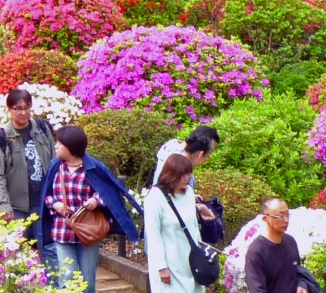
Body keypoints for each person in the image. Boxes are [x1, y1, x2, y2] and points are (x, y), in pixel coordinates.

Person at [35, 124, 138, 293]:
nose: (56, 146)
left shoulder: (93, 168)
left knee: (88, 282)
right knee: (67, 278)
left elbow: (109, 194)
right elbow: (46, 195)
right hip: (63, 231)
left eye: (59, 143)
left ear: (70, 147)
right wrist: (55, 204)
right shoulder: (56, 166)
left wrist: (96, 201)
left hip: (88, 233)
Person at [0, 87, 60, 224]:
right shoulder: (2, 138)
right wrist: (4, 205)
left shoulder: (42, 129)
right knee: (18, 244)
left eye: (27, 107)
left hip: (44, 202)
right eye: (18, 108)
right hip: (17, 207)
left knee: (44, 244)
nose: (23, 112)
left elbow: (54, 161)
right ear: (9, 109)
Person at [144, 151, 202, 293]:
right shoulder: (155, 197)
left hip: (191, 262)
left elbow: (193, 228)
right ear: (171, 175)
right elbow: (153, 235)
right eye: (183, 175)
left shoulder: (188, 193)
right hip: (169, 265)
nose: (188, 178)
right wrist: (161, 266)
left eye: (189, 174)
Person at [243, 202, 302, 293]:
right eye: (280, 216)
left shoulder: (290, 241)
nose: (286, 220)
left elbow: (299, 272)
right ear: (265, 218)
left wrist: (302, 285)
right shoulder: (256, 252)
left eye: (287, 215)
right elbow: (257, 290)